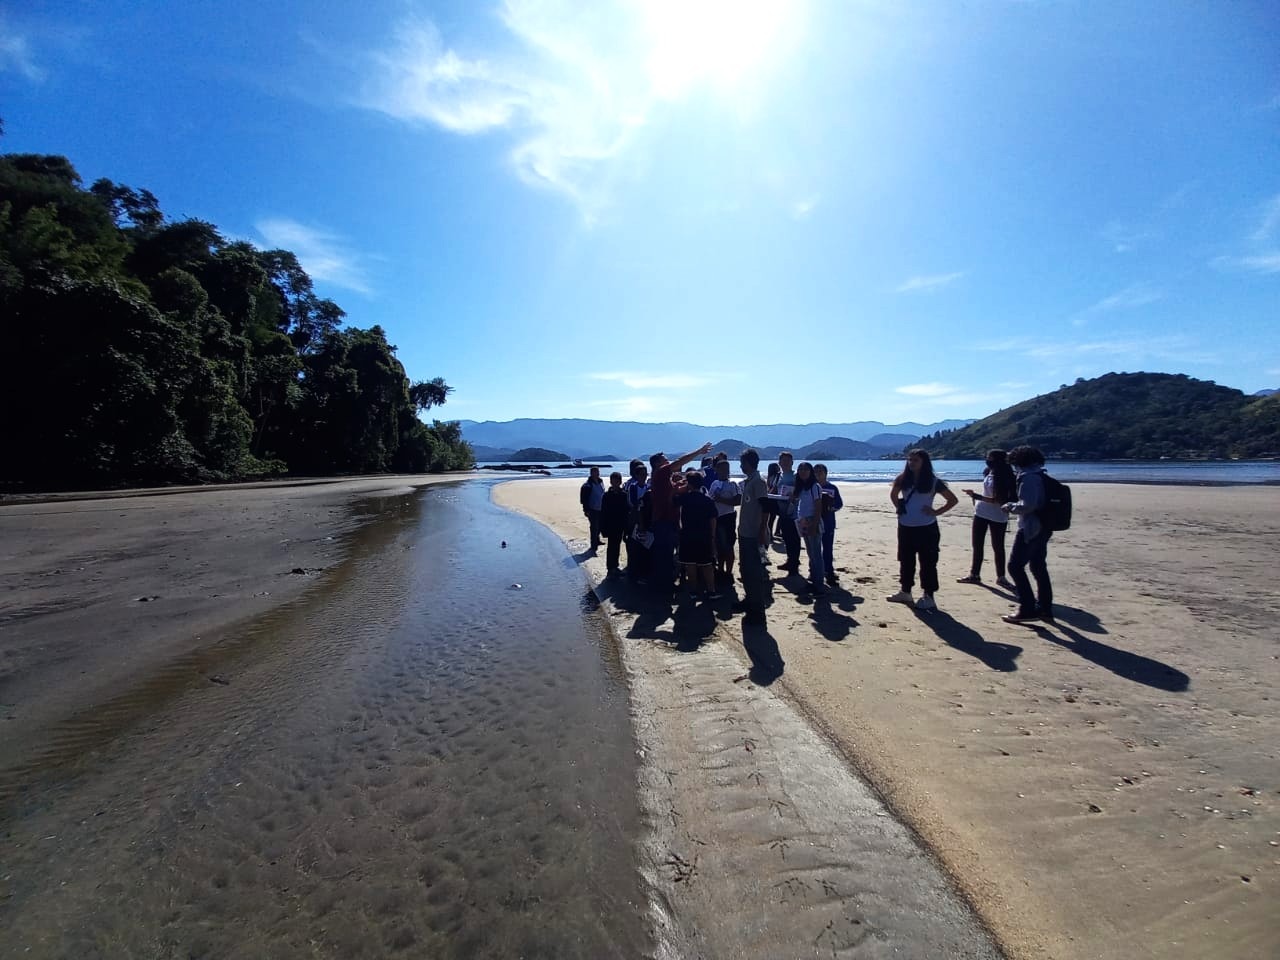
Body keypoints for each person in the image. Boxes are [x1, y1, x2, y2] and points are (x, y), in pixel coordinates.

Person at [886, 448, 959, 610]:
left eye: (915, 460)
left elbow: (953, 500)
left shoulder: (933, 481)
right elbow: (893, 494)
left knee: (928, 562)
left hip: (927, 527)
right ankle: (905, 591)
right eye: (910, 460)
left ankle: (929, 596)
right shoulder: (902, 478)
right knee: (906, 560)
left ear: (924, 462)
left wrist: (936, 512)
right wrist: (900, 507)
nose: (911, 463)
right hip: (905, 526)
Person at [648, 442, 713, 596]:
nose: (668, 462)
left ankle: (665, 585)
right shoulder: (661, 473)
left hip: (668, 521)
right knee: (665, 556)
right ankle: (664, 588)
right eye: (665, 460)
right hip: (664, 521)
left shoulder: (664, 478)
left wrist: (688, 484)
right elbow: (680, 462)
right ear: (658, 464)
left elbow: (677, 491)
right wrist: (699, 451)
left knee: (668, 555)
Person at [1001, 445, 1055, 624]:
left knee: (1015, 566)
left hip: (1031, 527)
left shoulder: (1028, 477)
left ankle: (1027, 607)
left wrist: (1010, 506)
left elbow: (1028, 505)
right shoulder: (1041, 474)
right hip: (1044, 525)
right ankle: (1045, 608)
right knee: (1038, 566)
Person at [958, 449, 1016, 588]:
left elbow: (998, 499)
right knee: (977, 545)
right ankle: (975, 574)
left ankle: (1001, 577)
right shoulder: (988, 472)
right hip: (981, 513)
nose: (987, 459)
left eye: (989, 457)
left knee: (998, 546)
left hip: (998, 515)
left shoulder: (1005, 476)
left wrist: (976, 496)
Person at [735, 448, 771, 623]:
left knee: (754, 572)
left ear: (749, 464)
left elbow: (766, 508)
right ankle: (749, 600)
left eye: (742, 463)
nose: (741, 466)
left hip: (754, 534)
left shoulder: (758, 482)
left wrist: (762, 531)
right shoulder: (749, 481)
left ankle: (757, 610)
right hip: (745, 532)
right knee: (745, 570)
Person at [675, 470, 719, 600]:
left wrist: (679, 486)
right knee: (706, 565)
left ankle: (693, 591)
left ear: (689, 484)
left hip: (688, 534)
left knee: (690, 565)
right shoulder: (707, 500)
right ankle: (711, 591)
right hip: (704, 535)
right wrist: (712, 536)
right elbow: (713, 519)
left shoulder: (684, 498)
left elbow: (673, 501)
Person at [793, 461, 828, 596]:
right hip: (803, 522)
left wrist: (814, 524)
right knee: (810, 553)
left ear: (810, 472)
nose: (803, 471)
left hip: (812, 522)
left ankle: (819, 585)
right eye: (800, 469)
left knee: (816, 554)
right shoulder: (802, 487)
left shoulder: (815, 486)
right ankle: (814, 580)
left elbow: (818, 506)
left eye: (806, 469)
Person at [707, 459, 741, 581]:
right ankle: (720, 570)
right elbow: (710, 499)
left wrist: (721, 500)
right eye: (721, 469)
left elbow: (738, 501)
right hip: (716, 517)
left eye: (726, 469)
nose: (724, 472)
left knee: (728, 545)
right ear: (716, 470)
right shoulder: (714, 483)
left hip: (728, 517)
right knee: (719, 545)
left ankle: (729, 572)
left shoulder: (733, 484)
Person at [814, 463, 844, 587]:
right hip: (814, 521)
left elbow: (839, 504)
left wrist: (831, 507)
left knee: (827, 548)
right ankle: (815, 572)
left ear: (825, 474)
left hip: (828, 522)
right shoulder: (812, 488)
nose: (818, 474)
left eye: (820, 472)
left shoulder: (832, 487)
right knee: (815, 549)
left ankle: (829, 571)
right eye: (815, 472)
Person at [623, 460, 651, 582]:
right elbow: (632, 503)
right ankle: (633, 573)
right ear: (637, 475)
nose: (644, 476)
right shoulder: (633, 487)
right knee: (635, 546)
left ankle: (643, 571)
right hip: (635, 520)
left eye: (646, 473)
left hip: (645, 519)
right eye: (642, 474)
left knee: (644, 545)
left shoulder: (647, 487)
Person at [775, 452, 802, 573]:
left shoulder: (796, 476)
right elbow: (775, 490)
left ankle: (794, 563)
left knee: (794, 538)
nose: (785, 463)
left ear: (792, 462)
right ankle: (790, 560)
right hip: (782, 512)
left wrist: (794, 495)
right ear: (779, 463)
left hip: (794, 512)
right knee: (786, 537)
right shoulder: (779, 476)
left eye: (787, 461)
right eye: (783, 461)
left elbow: (801, 492)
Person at [599, 471, 630, 576]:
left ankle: (614, 566)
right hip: (610, 525)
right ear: (611, 482)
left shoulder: (624, 495)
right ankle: (610, 567)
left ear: (620, 482)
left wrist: (626, 526)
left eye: (618, 481)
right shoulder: (606, 496)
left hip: (621, 524)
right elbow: (603, 512)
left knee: (617, 545)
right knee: (612, 546)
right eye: (614, 481)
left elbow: (626, 511)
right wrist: (603, 528)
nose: (616, 483)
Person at [579, 466, 605, 549]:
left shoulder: (601, 481)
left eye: (598, 472)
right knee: (594, 527)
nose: (597, 473)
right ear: (591, 473)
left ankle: (597, 540)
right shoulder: (587, 485)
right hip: (592, 509)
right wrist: (586, 510)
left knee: (600, 526)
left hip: (601, 508)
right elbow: (584, 499)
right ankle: (593, 544)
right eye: (595, 472)